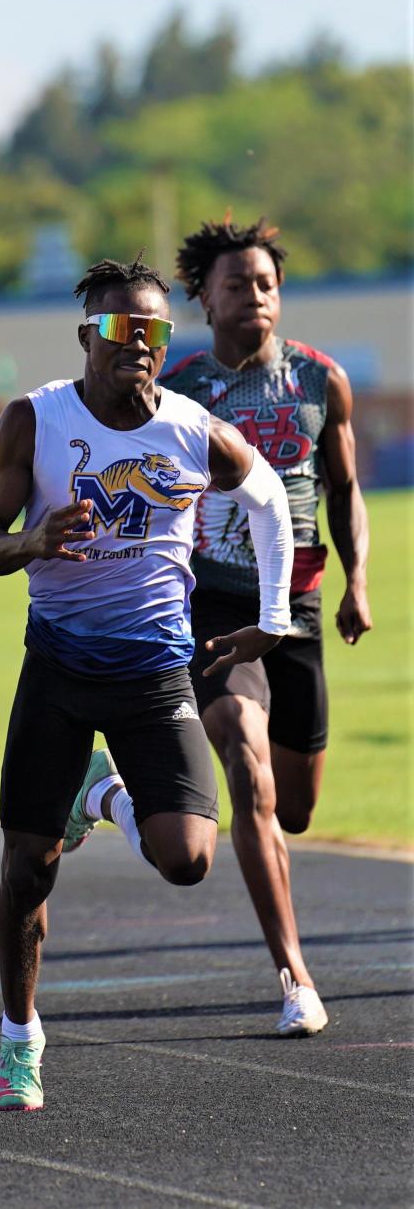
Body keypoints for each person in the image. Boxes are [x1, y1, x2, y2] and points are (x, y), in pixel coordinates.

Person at [0, 253, 295, 1112]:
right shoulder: (34, 421)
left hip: (154, 676)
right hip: (60, 674)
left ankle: (102, 798)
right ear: (87, 337)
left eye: (149, 329)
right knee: (25, 877)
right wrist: (32, 544)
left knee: (188, 860)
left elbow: (267, 499)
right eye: (117, 327)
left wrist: (273, 614)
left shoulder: (190, 428)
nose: (134, 343)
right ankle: (19, 1040)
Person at [157, 215, 371, 1034]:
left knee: (298, 807)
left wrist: (359, 585)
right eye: (238, 284)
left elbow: (346, 490)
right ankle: (296, 977)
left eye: (267, 284)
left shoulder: (321, 380)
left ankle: (108, 787)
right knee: (249, 773)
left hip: (301, 608)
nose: (256, 297)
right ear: (204, 299)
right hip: (213, 606)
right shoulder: (178, 391)